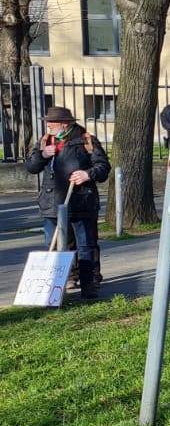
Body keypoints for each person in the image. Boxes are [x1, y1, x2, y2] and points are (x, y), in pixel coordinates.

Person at [25, 106, 110, 299]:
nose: (48, 126)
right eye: (47, 122)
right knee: (53, 244)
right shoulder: (45, 141)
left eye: (52, 123)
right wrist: (43, 155)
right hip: (51, 202)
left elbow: (103, 167)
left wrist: (87, 174)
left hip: (81, 202)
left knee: (86, 244)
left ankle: (89, 284)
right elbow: (31, 167)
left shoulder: (86, 139)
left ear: (65, 124)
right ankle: (62, 281)